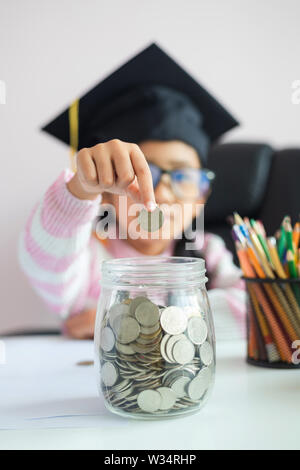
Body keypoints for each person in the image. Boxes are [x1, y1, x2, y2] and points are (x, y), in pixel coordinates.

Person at [19, 44, 246, 340]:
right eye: (143, 174)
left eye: (183, 176)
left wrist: (130, 321)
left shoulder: (206, 250)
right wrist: (79, 191)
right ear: (108, 194)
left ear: (200, 200)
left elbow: (253, 311)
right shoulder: (89, 256)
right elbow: (43, 262)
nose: (161, 194)